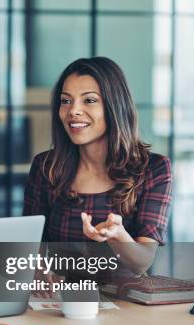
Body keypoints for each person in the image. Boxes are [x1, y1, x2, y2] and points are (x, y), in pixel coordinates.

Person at [23, 57, 173, 285]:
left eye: (89, 100)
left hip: (125, 307)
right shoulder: (46, 167)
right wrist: (37, 266)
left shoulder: (153, 169)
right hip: (61, 304)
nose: (73, 111)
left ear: (115, 106)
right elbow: (31, 245)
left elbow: (142, 263)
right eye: (66, 101)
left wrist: (117, 236)